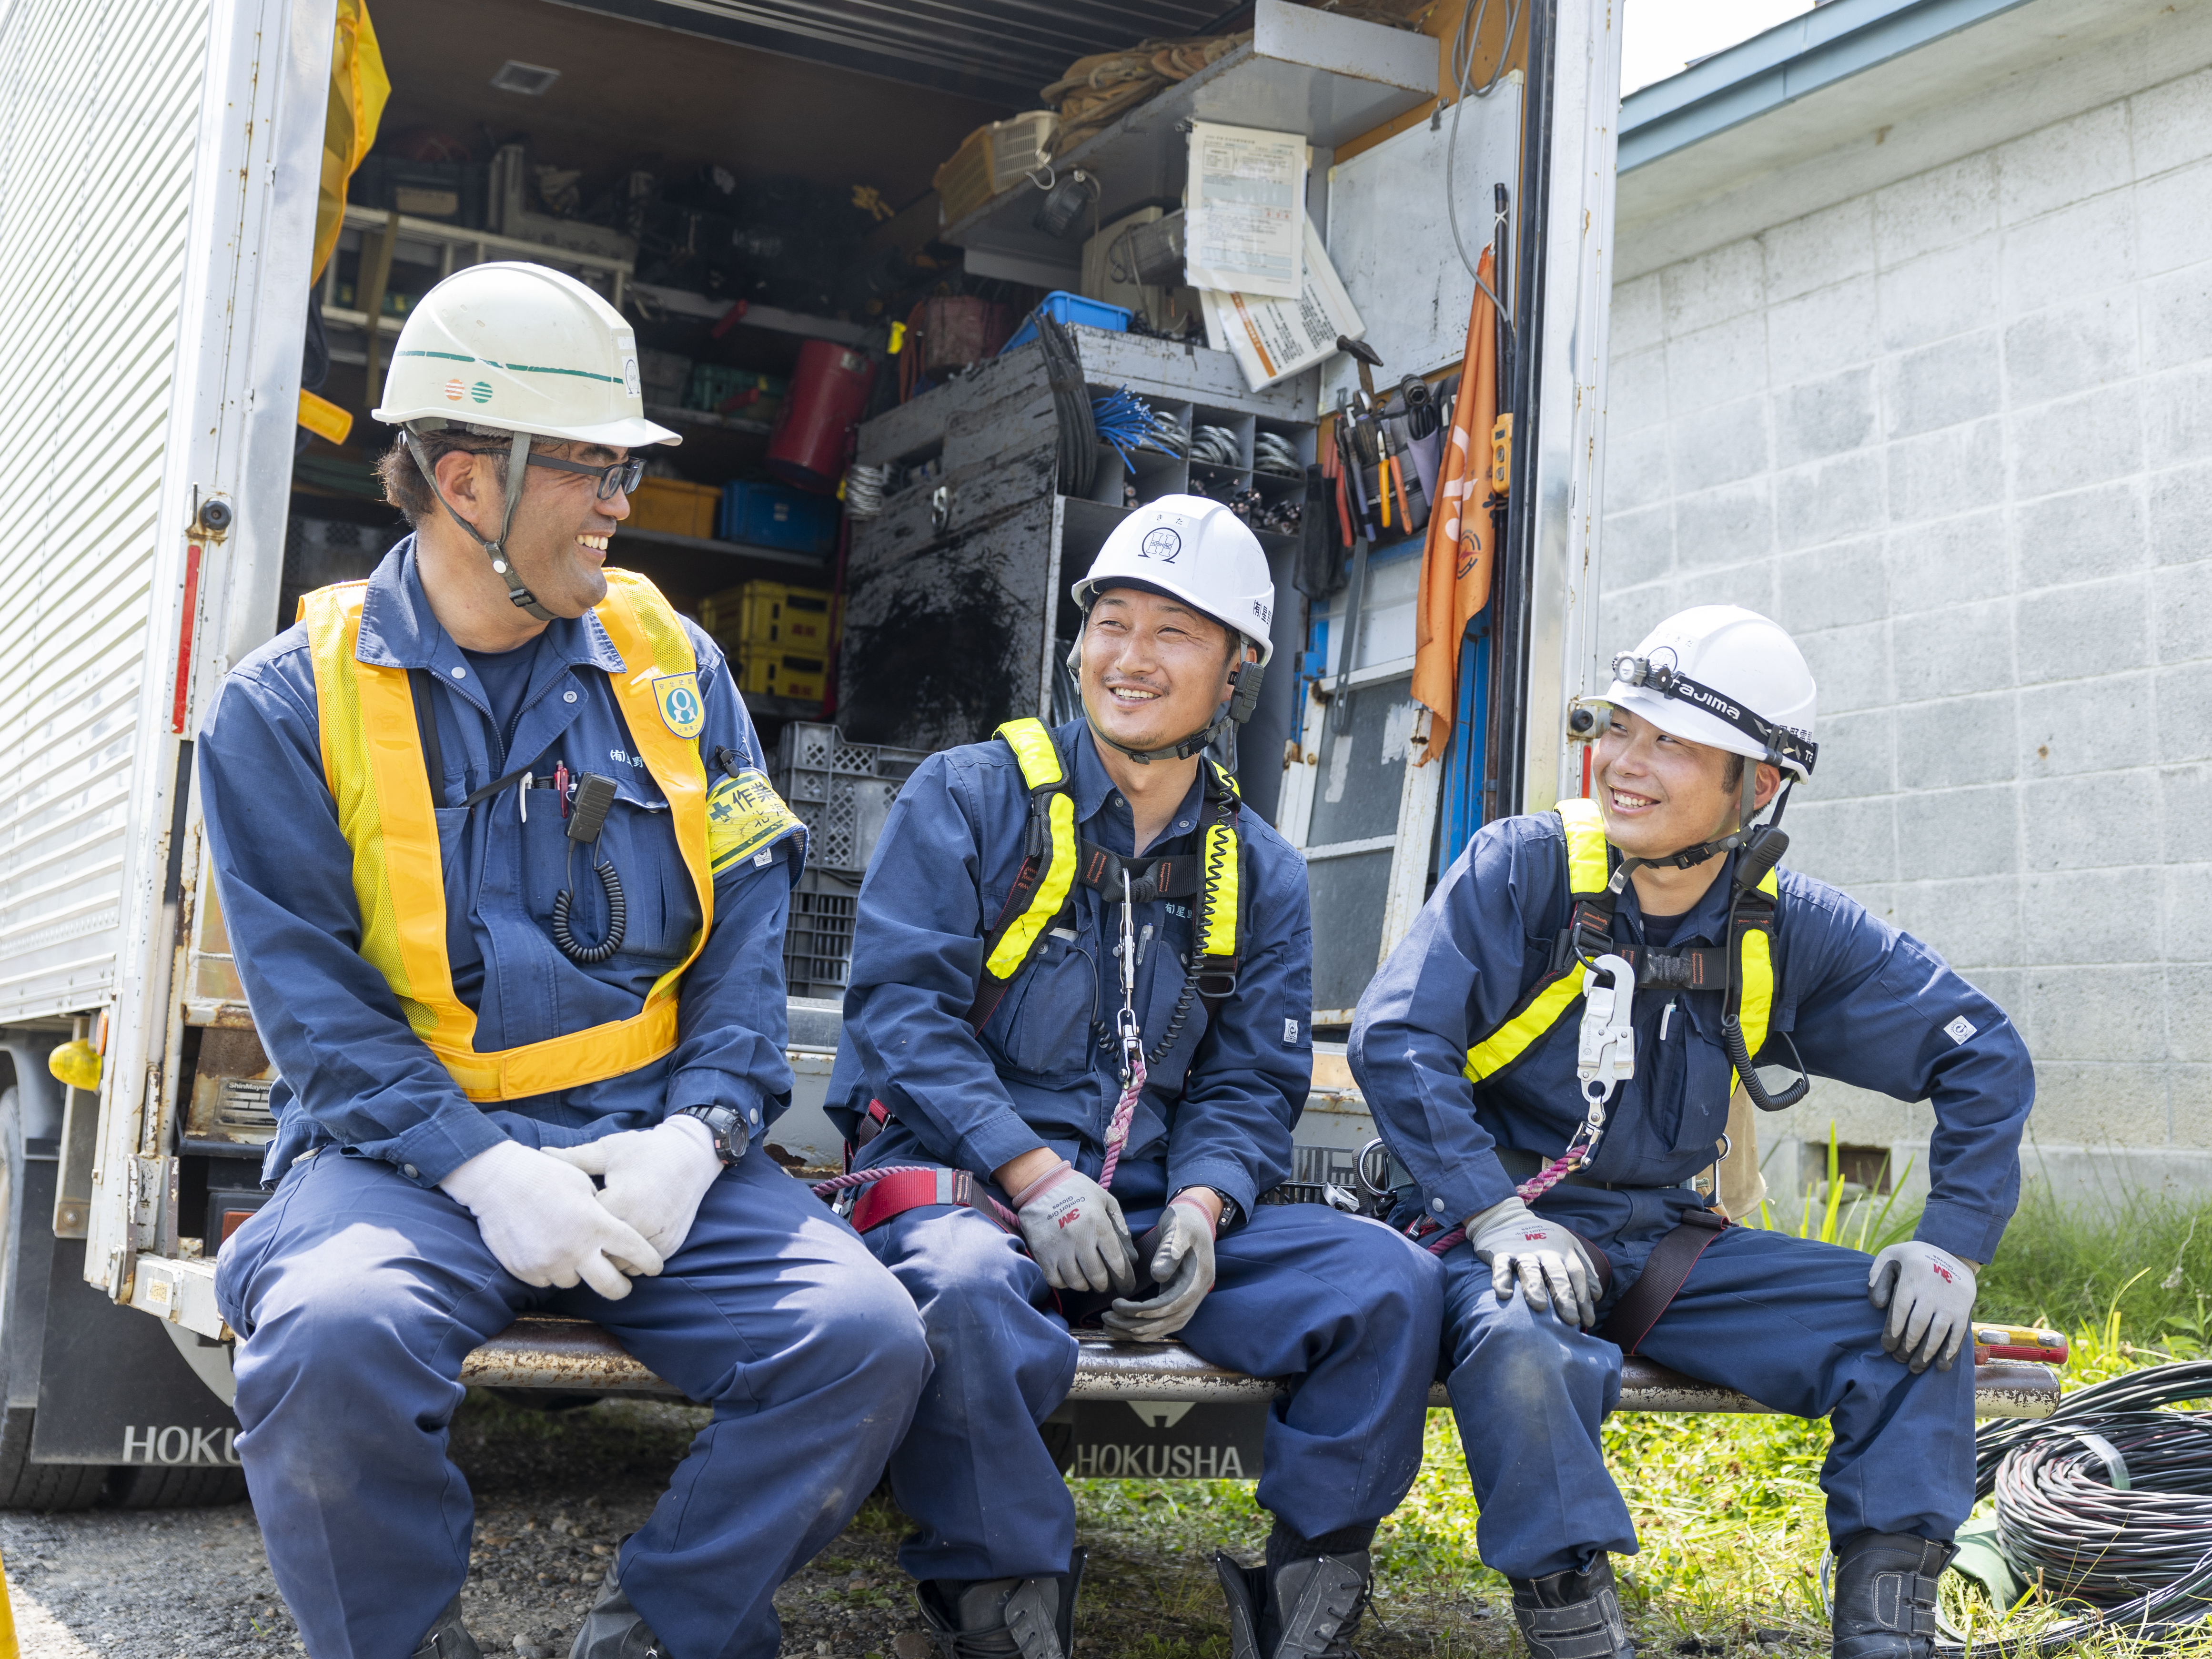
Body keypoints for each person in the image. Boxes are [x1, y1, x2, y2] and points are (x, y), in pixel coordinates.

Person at [201, 261, 931, 1659]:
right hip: (403, 1157)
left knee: (861, 1338)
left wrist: (705, 1133)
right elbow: (312, 1006)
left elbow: (748, 926)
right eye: (591, 467)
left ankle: (662, 1631)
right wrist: (478, 1169)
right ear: (466, 478)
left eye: (623, 469)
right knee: (331, 1334)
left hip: (642, 1143)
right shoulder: (287, 705)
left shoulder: (677, 668)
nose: (622, 501)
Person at [1350, 605, 2034, 1659]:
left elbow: (1981, 1051)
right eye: (1620, 727)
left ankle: (1889, 1631)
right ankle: (1576, 1624)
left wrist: (1951, 1238)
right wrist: (1491, 1211)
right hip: (1495, 1240)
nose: (1624, 762)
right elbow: (1398, 1038)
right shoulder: (1521, 873)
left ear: (1757, 786)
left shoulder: (1786, 926)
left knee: (1906, 1338)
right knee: (1527, 1352)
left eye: (1671, 742)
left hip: (1664, 1248)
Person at [825, 496, 1444, 1659]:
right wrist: (1037, 1177)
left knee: (1390, 1280)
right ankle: (1002, 1596)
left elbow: (1253, 1083)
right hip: (971, 1190)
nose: (1132, 657)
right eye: (1113, 622)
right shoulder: (970, 796)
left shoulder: (1255, 866)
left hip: (1149, 1205)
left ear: (1238, 668)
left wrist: (1206, 1209)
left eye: (1175, 632)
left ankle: (1307, 1590)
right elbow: (903, 1014)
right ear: (1078, 642)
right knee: (959, 1286)